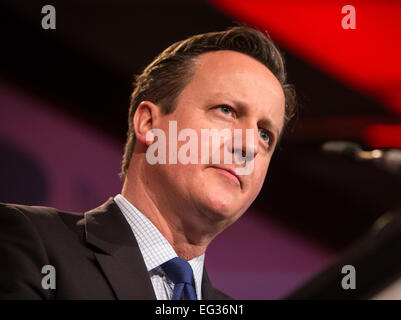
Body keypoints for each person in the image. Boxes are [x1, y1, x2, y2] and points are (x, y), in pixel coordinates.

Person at [0, 26, 296, 300]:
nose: (248, 146)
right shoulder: (32, 244)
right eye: (226, 110)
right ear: (149, 124)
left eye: (264, 134)